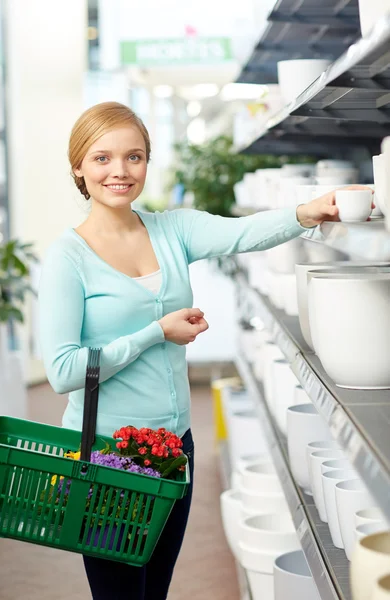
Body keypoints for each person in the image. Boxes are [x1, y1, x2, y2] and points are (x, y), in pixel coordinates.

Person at [38, 101, 361, 600]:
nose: (120, 171)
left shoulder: (172, 230)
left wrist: (309, 210)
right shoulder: (68, 257)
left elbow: (243, 232)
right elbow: (62, 372)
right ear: (78, 167)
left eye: (134, 156)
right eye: (102, 158)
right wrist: (154, 333)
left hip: (173, 449)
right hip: (109, 460)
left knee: (154, 591)